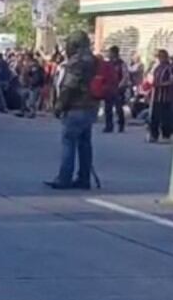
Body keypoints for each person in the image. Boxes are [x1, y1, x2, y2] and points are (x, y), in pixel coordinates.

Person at [45, 30, 98, 190]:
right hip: (91, 106)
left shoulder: (76, 62)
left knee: (69, 143)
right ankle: (84, 177)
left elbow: (69, 86)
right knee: (85, 144)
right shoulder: (94, 61)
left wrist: (59, 105)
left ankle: (64, 178)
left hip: (76, 107)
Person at [149, 49, 173, 142]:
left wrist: (162, 84)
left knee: (165, 117)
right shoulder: (157, 68)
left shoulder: (170, 68)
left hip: (165, 96)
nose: (160, 58)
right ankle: (153, 135)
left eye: (161, 56)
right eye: (159, 56)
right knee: (154, 116)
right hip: (156, 95)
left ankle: (166, 136)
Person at [101, 46, 131, 133]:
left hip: (118, 88)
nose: (109, 54)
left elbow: (125, 75)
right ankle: (109, 126)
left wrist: (120, 85)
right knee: (108, 108)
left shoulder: (121, 63)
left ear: (114, 53)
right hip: (108, 88)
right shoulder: (108, 63)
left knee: (118, 108)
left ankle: (121, 125)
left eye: (110, 52)